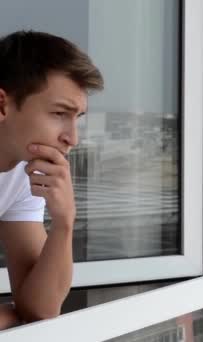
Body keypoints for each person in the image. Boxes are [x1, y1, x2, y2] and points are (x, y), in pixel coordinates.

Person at [0, 30, 103, 329]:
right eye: (59, 113)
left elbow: (39, 309)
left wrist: (64, 221)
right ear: (3, 105)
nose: (72, 138)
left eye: (77, 117)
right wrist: (8, 316)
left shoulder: (23, 173)